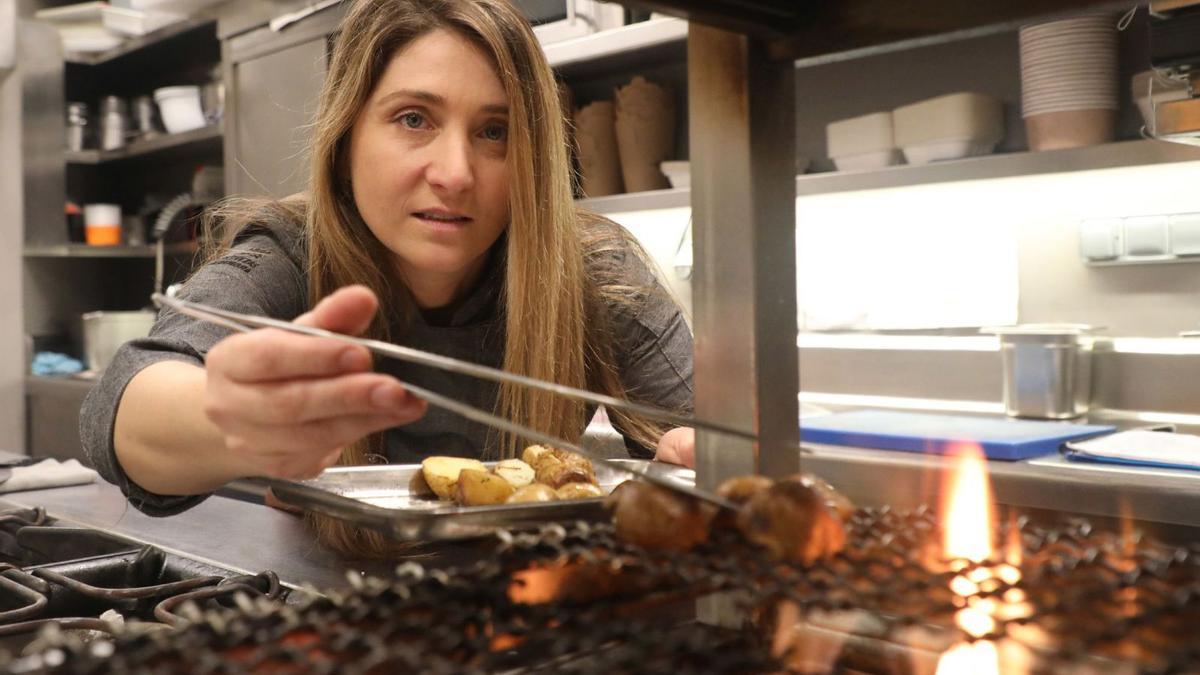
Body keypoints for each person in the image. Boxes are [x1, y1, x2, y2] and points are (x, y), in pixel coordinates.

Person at [80, 0, 695, 557]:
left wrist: (700, 461)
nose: (455, 172)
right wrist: (232, 420)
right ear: (346, 139)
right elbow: (124, 405)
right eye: (413, 119)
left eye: (494, 132)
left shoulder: (594, 270)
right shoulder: (288, 256)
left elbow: (708, 436)